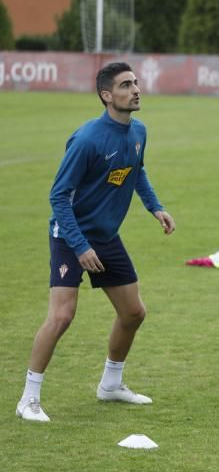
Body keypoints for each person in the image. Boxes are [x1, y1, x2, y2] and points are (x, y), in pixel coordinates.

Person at [16, 62, 176, 423]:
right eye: (125, 85)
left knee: (134, 312)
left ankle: (111, 384)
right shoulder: (88, 139)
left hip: (105, 237)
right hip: (71, 235)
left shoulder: (139, 132)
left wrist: (156, 207)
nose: (136, 89)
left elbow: (137, 171)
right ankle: (28, 398)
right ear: (107, 95)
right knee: (61, 316)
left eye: (135, 82)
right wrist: (80, 246)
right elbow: (59, 197)